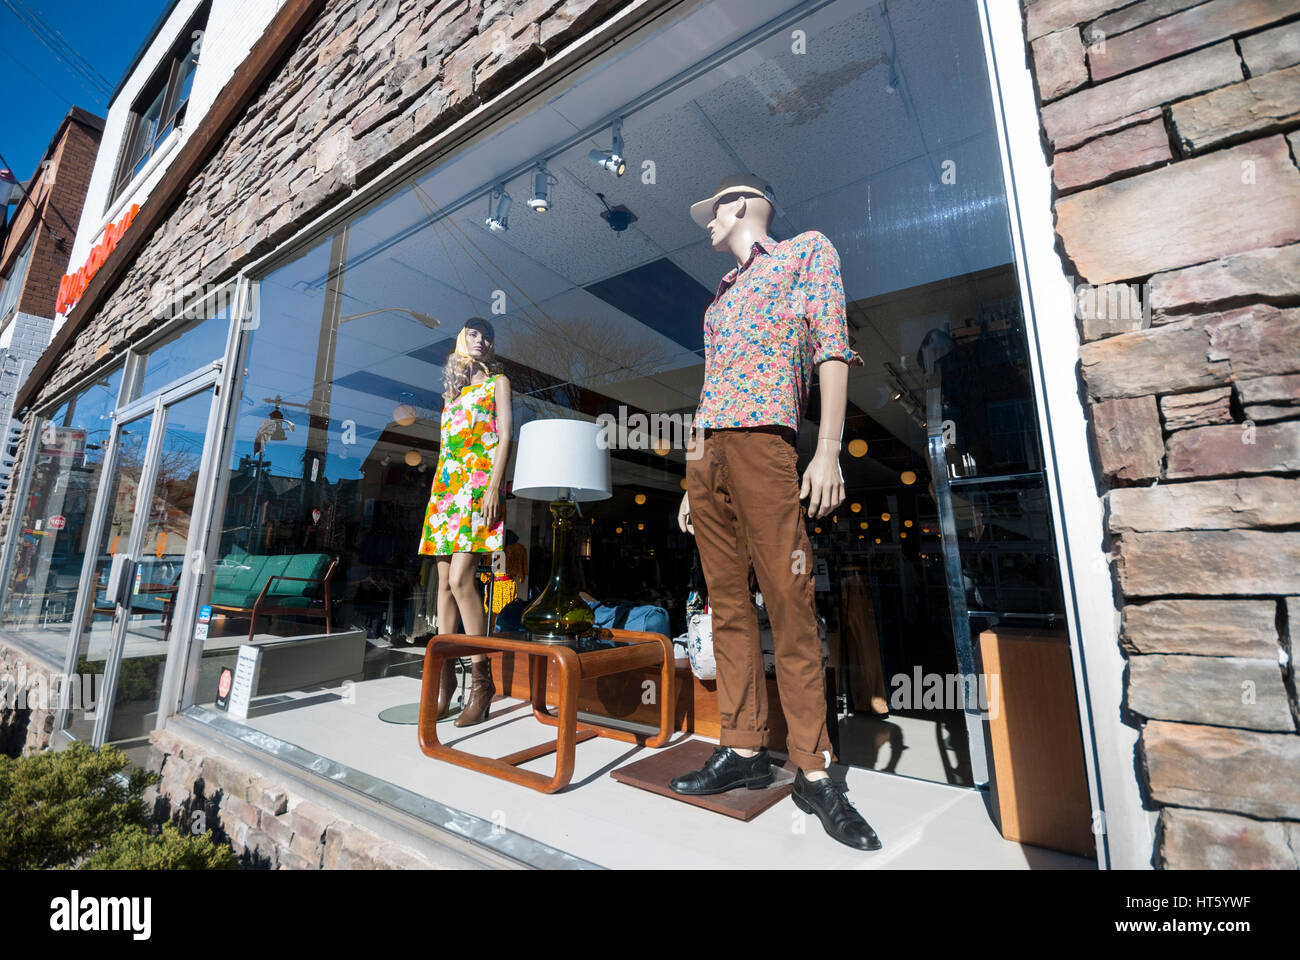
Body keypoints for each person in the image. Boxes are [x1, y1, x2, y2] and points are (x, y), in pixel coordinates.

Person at [673, 175, 882, 851]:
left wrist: (829, 449)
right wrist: (692, 477)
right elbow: (711, 385)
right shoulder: (718, 299)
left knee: (789, 604)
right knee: (726, 606)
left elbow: (830, 344)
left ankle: (815, 773)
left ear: (739, 205)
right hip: (706, 453)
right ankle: (741, 747)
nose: (708, 224)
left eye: (713, 212)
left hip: (766, 442)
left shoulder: (805, 253)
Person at [418, 318, 512, 726]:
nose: (481, 340)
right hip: (446, 491)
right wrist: (437, 497)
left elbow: (506, 437)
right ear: (461, 339)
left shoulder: (498, 384)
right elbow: (446, 449)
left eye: (486, 336)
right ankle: (446, 681)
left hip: (477, 487)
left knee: (460, 580)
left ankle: (481, 681)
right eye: (473, 333)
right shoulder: (451, 394)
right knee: (441, 585)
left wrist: (495, 488)